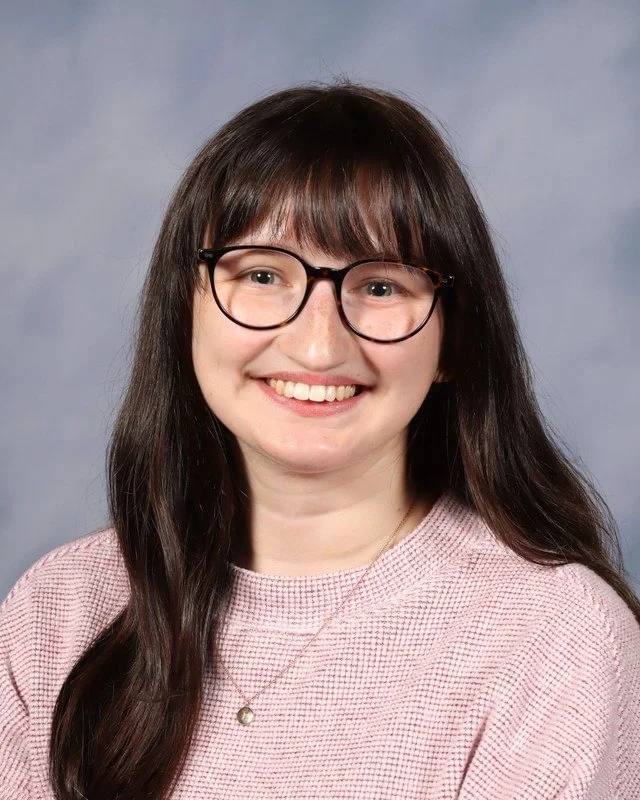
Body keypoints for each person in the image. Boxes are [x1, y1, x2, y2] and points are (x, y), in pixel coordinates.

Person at [1, 81, 639, 800]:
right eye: (265, 274)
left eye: (380, 286)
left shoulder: (552, 639)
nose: (316, 345)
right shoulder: (58, 610)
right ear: (187, 307)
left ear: (454, 336)